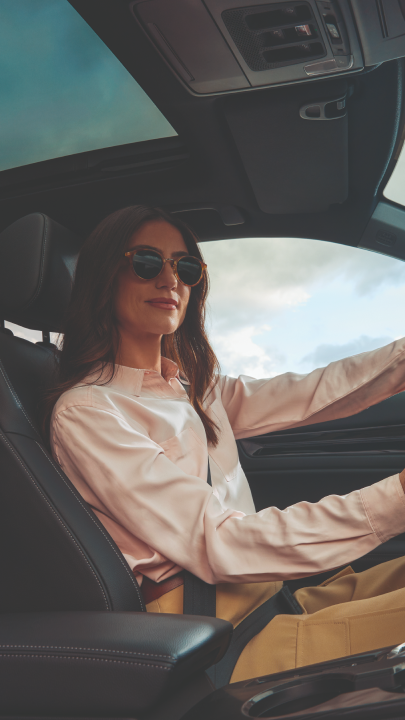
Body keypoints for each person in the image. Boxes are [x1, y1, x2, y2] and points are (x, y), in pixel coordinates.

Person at [46, 205, 405, 682]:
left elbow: (310, 393)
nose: (170, 280)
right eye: (147, 262)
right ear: (104, 275)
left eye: (186, 267)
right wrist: (397, 497)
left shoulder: (195, 389)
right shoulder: (89, 412)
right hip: (219, 639)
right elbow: (221, 542)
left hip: (269, 601)